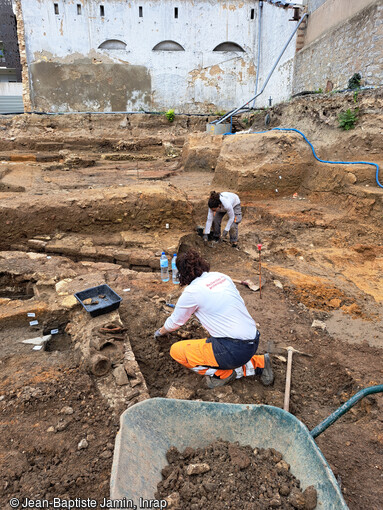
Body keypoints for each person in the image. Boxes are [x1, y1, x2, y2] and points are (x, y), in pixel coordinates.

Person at [154, 250, 274, 389]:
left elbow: (175, 322)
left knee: (176, 351)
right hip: (253, 340)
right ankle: (260, 362)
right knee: (221, 345)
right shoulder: (221, 276)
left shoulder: (192, 292)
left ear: (181, 274)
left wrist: (160, 332)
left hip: (234, 349)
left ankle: (223, 374)